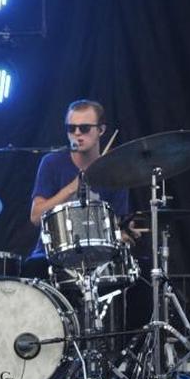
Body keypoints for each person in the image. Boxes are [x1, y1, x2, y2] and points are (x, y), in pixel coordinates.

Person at [24, 98, 134, 278]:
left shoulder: (115, 171)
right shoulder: (52, 163)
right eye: (71, 128)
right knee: (31, 268)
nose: (77, 133)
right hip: (51, 257)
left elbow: (118, 227)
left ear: (101, 130)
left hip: (98, 260)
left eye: (84, 128)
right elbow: (36, 217)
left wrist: (125, 233)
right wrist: (71, 188)